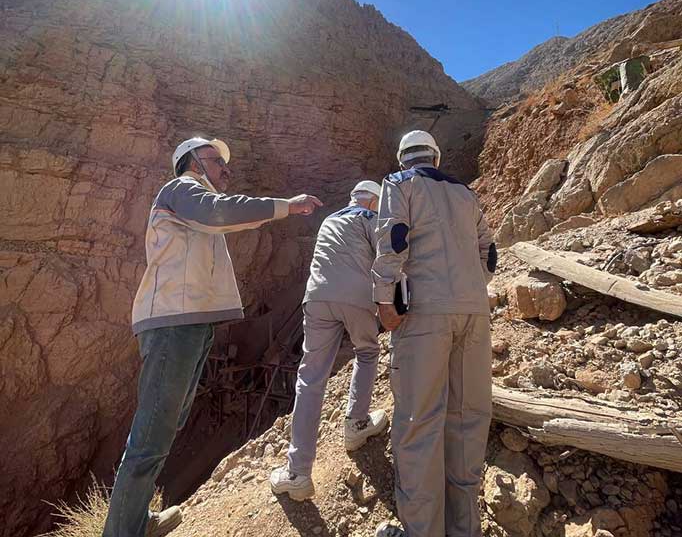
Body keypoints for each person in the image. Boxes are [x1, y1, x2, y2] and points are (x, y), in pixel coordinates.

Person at [102, 137, 322, 537]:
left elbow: (222, 217)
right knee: (152, 432)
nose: (226, 169)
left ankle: (135, 520)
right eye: (217, 161)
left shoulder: (192, 200)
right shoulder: (183, 189)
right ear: (194, 162)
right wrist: (286, 206)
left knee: (167, 425)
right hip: (173, 325)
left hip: (190, 324)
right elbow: (220, 213)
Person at [372, 131, 496, 537]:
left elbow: (393, 239)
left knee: (419, 421)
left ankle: (422, 530)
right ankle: (464, 529)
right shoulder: (466, 193)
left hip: (426, 315)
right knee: (467, 420)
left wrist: (385, 300)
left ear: (404, 158)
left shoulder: (399, 183)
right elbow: (488, 251)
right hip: (474, 313)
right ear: (436, 158)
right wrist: (471, 287)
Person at [270, 180, 389, 501]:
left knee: (310, 379)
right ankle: (356, 425)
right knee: (366, 353)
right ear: (374, 202)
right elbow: (388, 260)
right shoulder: (372, 219)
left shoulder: (330, 219)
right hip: (357, 297)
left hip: (317, 297)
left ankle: (297, 472)